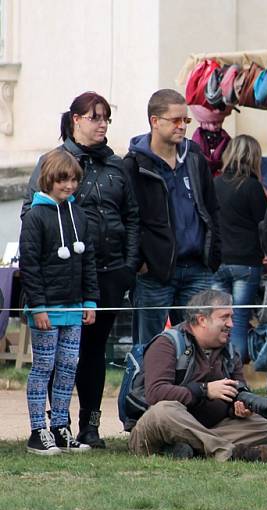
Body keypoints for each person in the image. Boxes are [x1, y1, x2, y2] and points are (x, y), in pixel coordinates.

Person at [23, 92, 139, 448]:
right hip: (60, 280)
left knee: (90, 354)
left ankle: (89, 423)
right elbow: (31, 216)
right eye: (95, 118)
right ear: (76, 120)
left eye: (106, 118)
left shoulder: (117, 165)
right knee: (55, 357)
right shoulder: (54, 162)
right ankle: (55, 425)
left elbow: (132, 216)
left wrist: (129, 266)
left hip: (106, 274)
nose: (102, 124)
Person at [128, 289, 267, 461]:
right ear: (202, 320)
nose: (231, 324)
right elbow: (156, 394)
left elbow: (238, 389)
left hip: (207, 427)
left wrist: (238, 409)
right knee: (164, 410)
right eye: (224, 317)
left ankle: (189, 448)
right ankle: (228, 452)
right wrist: (204, 390)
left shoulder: (229, 351)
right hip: (155, 428)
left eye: (231, 317)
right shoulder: (167, 343)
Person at [123, 89, 221, 345]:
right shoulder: (133, 165)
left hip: (197, 268)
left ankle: (192, 388)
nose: (182, 126)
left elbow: (211, 208)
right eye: (176, 120)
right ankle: (144, 387)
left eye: (186, 120)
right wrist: (140, 262)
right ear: (155, 121)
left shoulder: (194, 157)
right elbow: (128, 218)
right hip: (155, 272)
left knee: (198, 345)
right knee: (149, 346)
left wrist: (213, 254)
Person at [19, 149, 99, 455]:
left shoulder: (78, 215)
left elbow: (88, 260)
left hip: (74, 307)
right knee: (44, 367)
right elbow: (29, 265)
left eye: (74, 180)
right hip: (46, 310)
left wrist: (90, 300)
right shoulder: (35, 216)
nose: (69, 186)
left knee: (68, 367)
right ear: (49, 179)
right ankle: (38, 430)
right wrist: (37, 306)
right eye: (63, 179)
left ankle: (60, 427)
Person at [211, 134, 267, 362]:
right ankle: (237, 376)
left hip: (218, 260)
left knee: (218, 320)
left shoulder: (214, 184)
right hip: (246, 262)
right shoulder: (253, 187)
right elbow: (264, 225)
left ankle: (219, 370)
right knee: (239, 320)